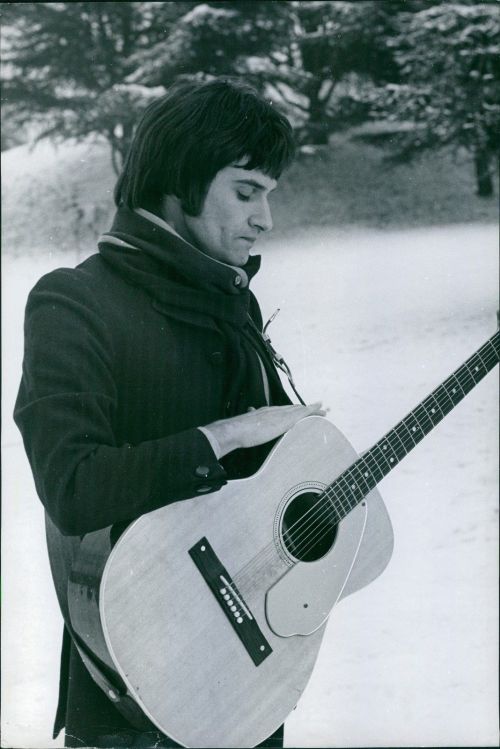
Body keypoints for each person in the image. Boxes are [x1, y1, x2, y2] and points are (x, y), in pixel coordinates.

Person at [14, 77, 325, 748]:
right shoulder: (73, 302)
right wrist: (223, 436)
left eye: (269, 196)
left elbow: (254, 493)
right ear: (180, 183)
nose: (265, 219)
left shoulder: (226, 298)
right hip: (134, 705)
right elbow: (73, 485)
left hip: (248, 674)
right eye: (247, 192)